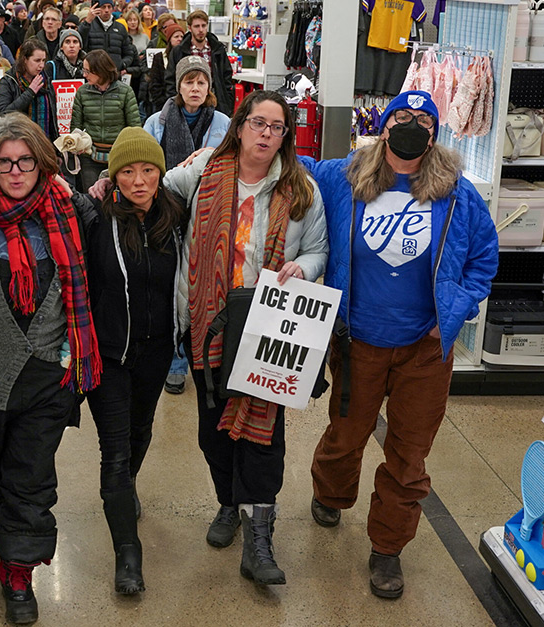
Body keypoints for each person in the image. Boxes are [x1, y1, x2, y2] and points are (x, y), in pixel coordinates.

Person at [303, 90, 498, 599]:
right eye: (403, 117)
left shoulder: (456, 191)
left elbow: (483, 257)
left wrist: (454, 312)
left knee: (409, 455)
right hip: (359, 340)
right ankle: (331, 492)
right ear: (384, 125)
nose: (412, 126)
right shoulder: (345, 177)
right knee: (346, 436)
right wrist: (236, 149)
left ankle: (387, 547)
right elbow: (293, 168)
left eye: (423, 120)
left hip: (424, 349)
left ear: (435, 133)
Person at [162, 90, 327, 586]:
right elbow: (154, 184)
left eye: (277, 127)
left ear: (285, 136)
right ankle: (227, 504)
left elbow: (319, 249)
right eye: (258, 123)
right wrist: (109, 182)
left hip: (267, 329)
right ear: (239, 126)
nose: (266, 134)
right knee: (213, 431)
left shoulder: (301, 190)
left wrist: (304, 265)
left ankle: (260, 537)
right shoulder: (204, 171)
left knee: (263, 438)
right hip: (207, 327)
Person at [0, 113, 101, 625]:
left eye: (26, 162)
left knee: (31, 477)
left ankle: (18, 570)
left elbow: (121, 206)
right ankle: (4, 524)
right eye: (4, 162)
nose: (16, 172)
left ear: (43, 164)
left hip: (47, 376)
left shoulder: (66, 209)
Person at [84, 128, 187, 596]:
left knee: (140, 431)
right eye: (127, 171)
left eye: (147, 170)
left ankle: (125, 489)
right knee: (115, 449)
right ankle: (128, 553)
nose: (139, 180)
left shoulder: (176, 216)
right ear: (114, 176)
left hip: (157, 351)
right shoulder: (97, 217)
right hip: (108, 354)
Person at [144, 55, 230, 394]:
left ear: (209, 87)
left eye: (201, 82)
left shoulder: (223, 122)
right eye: (188, 82)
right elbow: (147, 164)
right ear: (179, 86)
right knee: (170, 287)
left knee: (203, 287)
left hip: (210, 215)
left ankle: (207, 355)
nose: (195, 88)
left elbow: (225, 163)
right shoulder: (158, 121)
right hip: (166, 212)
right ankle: (176, 362)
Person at [71, 49, 141, 188]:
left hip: (118, 156)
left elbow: (134, 128)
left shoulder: (125, 92)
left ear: (100, 70)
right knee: (92, 198)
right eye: (83, 70)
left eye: (88, 71)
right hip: (89, 157)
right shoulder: (82, 92)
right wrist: (76, 142)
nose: (84, 75)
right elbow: (76, 127)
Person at [165, 10, 236, 117]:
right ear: (189, 28)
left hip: (215, 101)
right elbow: (170, 79)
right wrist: (176, 103)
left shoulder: (217, 49)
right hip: (187, 103)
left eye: (204, 26)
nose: (201, 30)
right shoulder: (179, 51)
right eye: (197, 26)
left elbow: (227, 76)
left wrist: (227, 101)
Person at [0, 39, 59, 142]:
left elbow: (53, 120)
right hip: (18, 142)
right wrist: (30, 92)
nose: (41, 65)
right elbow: (4, 113)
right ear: (25, 59)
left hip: (44, 143)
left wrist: (57, 151)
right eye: (37, 60)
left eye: (43, 60)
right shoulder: (8, 81)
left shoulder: (46, 81)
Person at [78, 0, 138, 75]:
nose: (106, 10)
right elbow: (80, 44)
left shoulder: (120, 27)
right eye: (103, 7)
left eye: (109, 7)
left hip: (114, 74)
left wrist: (122, 64)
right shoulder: (89, 26)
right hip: (94, 74)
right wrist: (87, 21)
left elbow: (129, 52)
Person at [143, 22, 184, 117]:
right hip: (163, 104)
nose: (180, 39)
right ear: (169, 39)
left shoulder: (186, 57)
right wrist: (161, 101)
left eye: (182, 36)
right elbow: (154, 83)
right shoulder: (159, 57)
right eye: (176, 37)